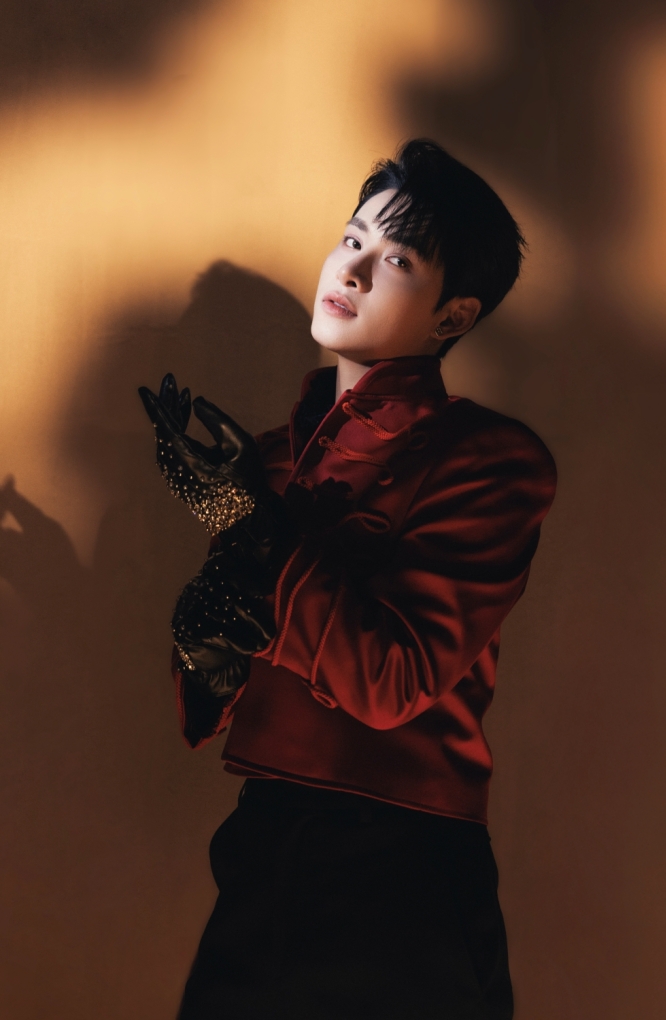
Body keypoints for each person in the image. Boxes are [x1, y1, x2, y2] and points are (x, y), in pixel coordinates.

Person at [139, 139, 557, 1019]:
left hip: (403, 871)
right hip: (263, 849)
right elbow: (226, 691)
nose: (354, 270)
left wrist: (252, 531)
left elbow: (392, 679)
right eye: (352, 238)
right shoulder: (267, 461)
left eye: (398, 259)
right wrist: (204, 651)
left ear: (454, 314)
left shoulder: (489, 459)